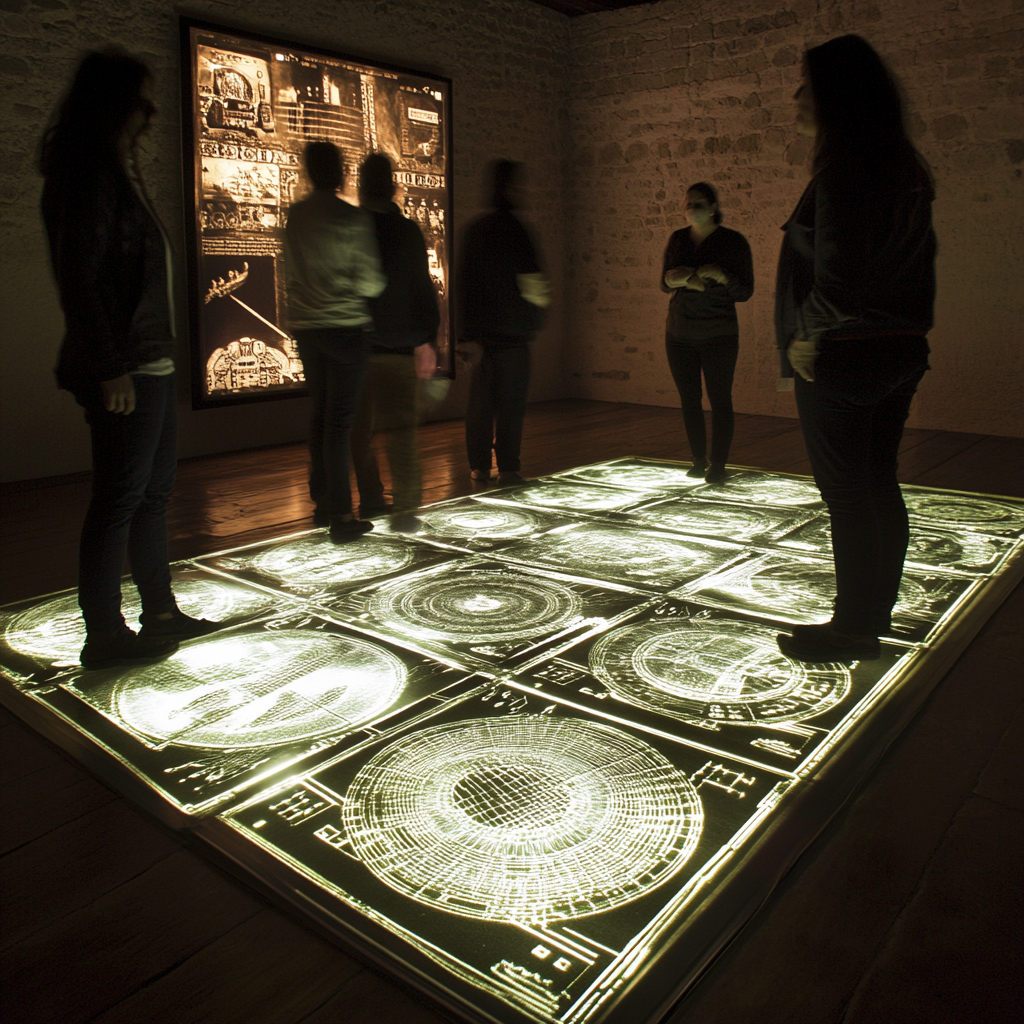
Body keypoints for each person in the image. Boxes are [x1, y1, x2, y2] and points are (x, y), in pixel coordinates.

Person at [40, 50, 219, 670]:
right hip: (127, 367)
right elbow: (80, 277)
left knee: (152, 493)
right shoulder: (88, 176)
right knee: (120, 495)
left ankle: (160, 612)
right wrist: (110, 363)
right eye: (143, 100)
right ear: (116, 105)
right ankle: (104, 634)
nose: (151, 112)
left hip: (150, 361)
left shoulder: (112, 172)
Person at [774, 35, 937, 663]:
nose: (796, 96)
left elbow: (840, 279)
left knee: (848, 495)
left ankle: (850, 629)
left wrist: (807, 335)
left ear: (836, 96)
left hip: (844, 353)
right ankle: (871, 616)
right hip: (899, 349)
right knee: (878, 484)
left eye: (806, 85)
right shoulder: (903, 165)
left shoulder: (846, 170)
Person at [284, 141, 386, 541]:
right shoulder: (352, 218)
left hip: (308, 329)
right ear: (342, 171)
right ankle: (343, 516)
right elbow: (371, 281)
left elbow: (290, 273)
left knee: (321, 414)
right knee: (341, 423)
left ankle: (324, 501)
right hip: (346, 329)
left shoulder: (296, 216)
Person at [350, 153, 440, 533]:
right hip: (403, 347)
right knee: (403, 433)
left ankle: (371, 497)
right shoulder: (407, 231)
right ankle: (405, 509)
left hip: (359, 346)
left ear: (360, 186)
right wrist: (427, 339)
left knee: (359, 432)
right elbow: (424, 289)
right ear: (392, 187)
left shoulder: (352, 227)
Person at [457, 160, 551, 485]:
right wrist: (538, 314)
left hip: (483, 337)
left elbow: (464, 285)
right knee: (511, 407)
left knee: (480, 408)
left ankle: (479, 467)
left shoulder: (476, 230)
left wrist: (464, 337)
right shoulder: (518, 230)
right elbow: (533, 281)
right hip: (513, 335)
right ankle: (508, 467)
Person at [661, 183, 755, 483]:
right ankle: (698, 459)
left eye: (698, 204)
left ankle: (719, 464)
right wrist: (682, 279)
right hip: (680, 332)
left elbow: (745, 291)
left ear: (713, 207)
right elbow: (664, 284)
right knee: (689, 399)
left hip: (719, 334)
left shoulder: (733, 242)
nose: (691, 208)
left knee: (719, 400)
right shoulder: (678, 239)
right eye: (687, 203)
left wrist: (722, 276)